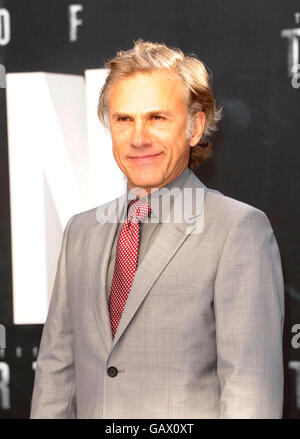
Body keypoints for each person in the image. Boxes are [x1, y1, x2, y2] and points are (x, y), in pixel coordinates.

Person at [30, 40, 284, 419]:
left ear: (195, 126)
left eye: (157, 118)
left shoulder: (238, 230)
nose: (138, 138)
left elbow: (250, 394)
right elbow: (55, 379)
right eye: (124, 119)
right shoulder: (80, 232)